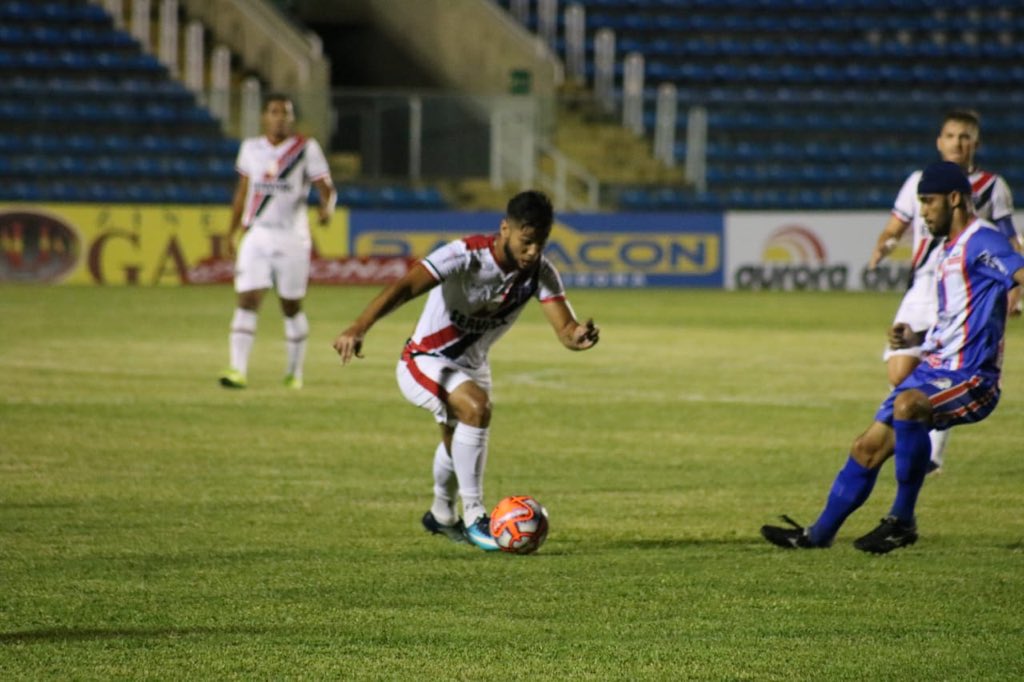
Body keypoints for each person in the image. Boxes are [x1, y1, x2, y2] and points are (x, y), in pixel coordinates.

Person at [762, 161, 1024, 554]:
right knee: (865, 448)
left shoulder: (981, 240)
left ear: (954, 199)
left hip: (972, 377)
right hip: (936, 367)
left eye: (929, 201)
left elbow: (1018, 272)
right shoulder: (947, 249)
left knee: (908, 405)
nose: (923, 211)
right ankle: (816, 536)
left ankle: (902, 520)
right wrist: (915, 336)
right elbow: (957, 316)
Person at [332, 190, 600, 551]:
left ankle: (441, 514)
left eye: (541, 242)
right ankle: (476, 517)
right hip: (423, 359)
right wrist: (358, 327)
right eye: (527, 241)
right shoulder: (464, 255)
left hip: (472, 366)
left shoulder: (539, 273)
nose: (534, 251)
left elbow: (566, 330)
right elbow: (404, 287)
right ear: (506, 229)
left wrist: (579, 336)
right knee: (476, 408)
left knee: (455, 440)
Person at [867, 109, 1020, 471]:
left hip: (966, 285)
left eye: (965, 137)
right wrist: (884, 244)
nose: (957, 143)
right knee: (899, 372)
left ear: (976, 144)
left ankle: (928, 454)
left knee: (942, 369)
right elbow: (895, 227)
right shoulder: (920, 182)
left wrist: (1013, 291)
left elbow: (1010, 243)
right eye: (951, 136)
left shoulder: (992, 187)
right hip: (925, 285)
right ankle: (919, 434)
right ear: (940, 141)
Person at [219, 93, 336, 389]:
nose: (280, 117)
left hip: (292, 238)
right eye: (274, 112)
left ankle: (294, 373)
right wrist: (232, 232)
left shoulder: (305, 149)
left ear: (291, 118)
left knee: (291, 305)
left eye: (285, 113)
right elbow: (242, 192)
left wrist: (326, 209)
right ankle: (237, 370)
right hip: (257, 234)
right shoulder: (250, 148)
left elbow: (327, 188)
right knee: (247, 300)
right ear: (264, 116)